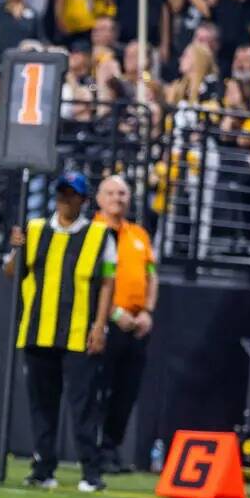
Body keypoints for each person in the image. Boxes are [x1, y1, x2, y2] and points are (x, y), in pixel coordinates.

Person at [4, 172, 116, 492]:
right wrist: (15, 249)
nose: (65, 200)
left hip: (79, 331)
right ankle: (43, 467)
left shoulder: (99, 234)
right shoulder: (34, 230)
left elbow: (108, 281)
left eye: (72, 194)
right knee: (42, 404)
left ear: (83, 199)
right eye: (62, 194)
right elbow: (10, 273)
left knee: (83, 405)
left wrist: (99, 325)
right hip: (38, 329)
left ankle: (90, 471)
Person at [93, 176, 157, 474]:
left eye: (122, 193)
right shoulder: (91, 231)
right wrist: (113, 313)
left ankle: (111, 447)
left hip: (136, 323)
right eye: (111, 193)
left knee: (126, 391)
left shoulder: (139, 235)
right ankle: (93, 447)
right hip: (106, 321)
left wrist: (147, 311)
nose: (117, 199)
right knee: (99, 388)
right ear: (98, 198)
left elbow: (152, 275)